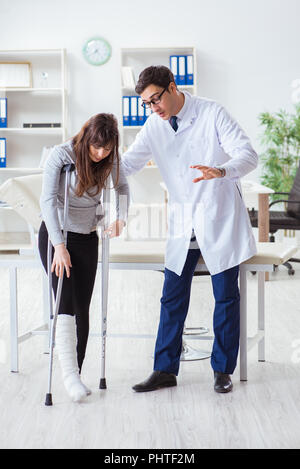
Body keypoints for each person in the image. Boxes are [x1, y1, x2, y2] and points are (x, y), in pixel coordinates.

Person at [121, 65, 258, 393]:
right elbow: (127, 165)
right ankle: (165, 369)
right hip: (184, 223)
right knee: (171, 297)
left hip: (219, 217)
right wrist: (88, 158)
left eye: (156, 99)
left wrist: (221, 170)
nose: (153, 108)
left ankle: (222, 370)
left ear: (172, 87)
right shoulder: (154, 125)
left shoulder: (212, 113)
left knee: (225, 297)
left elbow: (248, 155)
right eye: (147, 104)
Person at [38, 113, 129, 402]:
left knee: (82, 308)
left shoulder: (110, 158)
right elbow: (47, 200)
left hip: (87, 236)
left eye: (106, 149)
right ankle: (68, 377)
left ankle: (75, 371)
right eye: (95, 148)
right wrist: (59, 245)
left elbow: (123, 188)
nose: (101, 154)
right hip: (57, 235)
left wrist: (121, 218)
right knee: (64, 302)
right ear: (85, 139)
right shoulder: (61, 155)